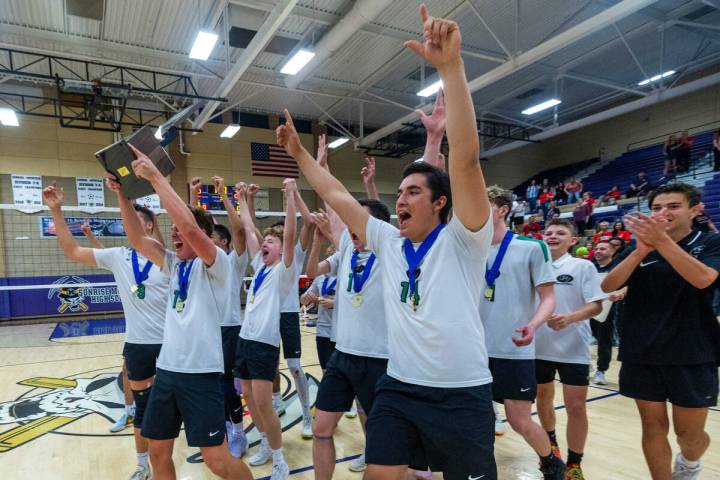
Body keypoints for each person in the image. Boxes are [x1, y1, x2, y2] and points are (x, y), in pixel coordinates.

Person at [278, 5, 497, 478]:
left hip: (462, 392)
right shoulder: (386, 241)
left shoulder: (465, 239)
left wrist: (451, 68)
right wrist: (298, 154)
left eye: (413, 191)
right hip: (399, 387)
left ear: (440, 203)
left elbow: (466, 161)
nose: (400, 199)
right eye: (398, 192)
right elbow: (336, 194)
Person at [109, 146, 253, 480]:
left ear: (203, 235)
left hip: (201, 374)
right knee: (158, 451)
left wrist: (157, 177)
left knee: (217, 462)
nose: (173, 233)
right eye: (171, 230)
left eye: (177, 228)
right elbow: (135, 237)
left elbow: (189, 229)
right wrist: (122, 195)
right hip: (167, 371)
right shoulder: (173, 265)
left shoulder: (217, 263)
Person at [43, 183, 168, 480]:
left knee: (173, 410)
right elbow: (72, 250)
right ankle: (141, 464)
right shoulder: (118, 256)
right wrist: (57, 211)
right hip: (139, 346)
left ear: (149, 225)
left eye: (135, 218)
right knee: (142, 409)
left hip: (173, 346)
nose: (127, 222)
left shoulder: (168, 257)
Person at [602, 183, 720, 480]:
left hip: (693, 351)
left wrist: (662, 242)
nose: (663, 213)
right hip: (642, 350)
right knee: (653, 426)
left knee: (688, 436)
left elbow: (703, 279)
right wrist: (639, 252)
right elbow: (607, 286)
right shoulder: (638, 247)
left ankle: (690, 463)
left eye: (672, 206)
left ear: (695, 210)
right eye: (656, 208)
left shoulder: (709, 243)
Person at [480, 187, 564, 479]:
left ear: (503, 209)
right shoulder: (467, 248)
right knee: (477, 420)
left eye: (484, 203)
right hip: (474, 351)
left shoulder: (531, 247)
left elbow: (549, 297)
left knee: (519, 421)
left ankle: (551, 464)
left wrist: (534, 324)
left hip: (513, 349)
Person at [537, 219, 606, 480]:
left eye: (560, 233)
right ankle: (551, 446)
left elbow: (596, 306)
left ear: (573, 240)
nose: (553, 236)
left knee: (576, 407)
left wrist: (570, 318)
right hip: (538, 347)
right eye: (549, 232)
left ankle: (574, 463)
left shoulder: (582, 266)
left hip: (574, 348)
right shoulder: (535, 264)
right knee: (542, 399)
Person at [211, 176, 251, 458]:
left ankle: (238, 432)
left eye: (211, 238)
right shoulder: (205, 261)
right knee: (211, 385)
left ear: (223, 242)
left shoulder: (234, 260)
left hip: (229, 329)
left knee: (226, 385)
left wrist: (225, 195)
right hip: (207, 329)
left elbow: (239, 227)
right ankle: (224, 427)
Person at [589, 240, 625, 385]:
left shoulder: (619, 267)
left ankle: (601, 370)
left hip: (609, 310)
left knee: (604, 341)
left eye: (602, 249)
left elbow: (627, 285)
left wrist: (620, 293)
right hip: (587, 307)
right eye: (596, 248)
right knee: (581, 338)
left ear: (612, 252)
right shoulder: (588, 267)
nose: (598, 251)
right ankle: (585, 365)